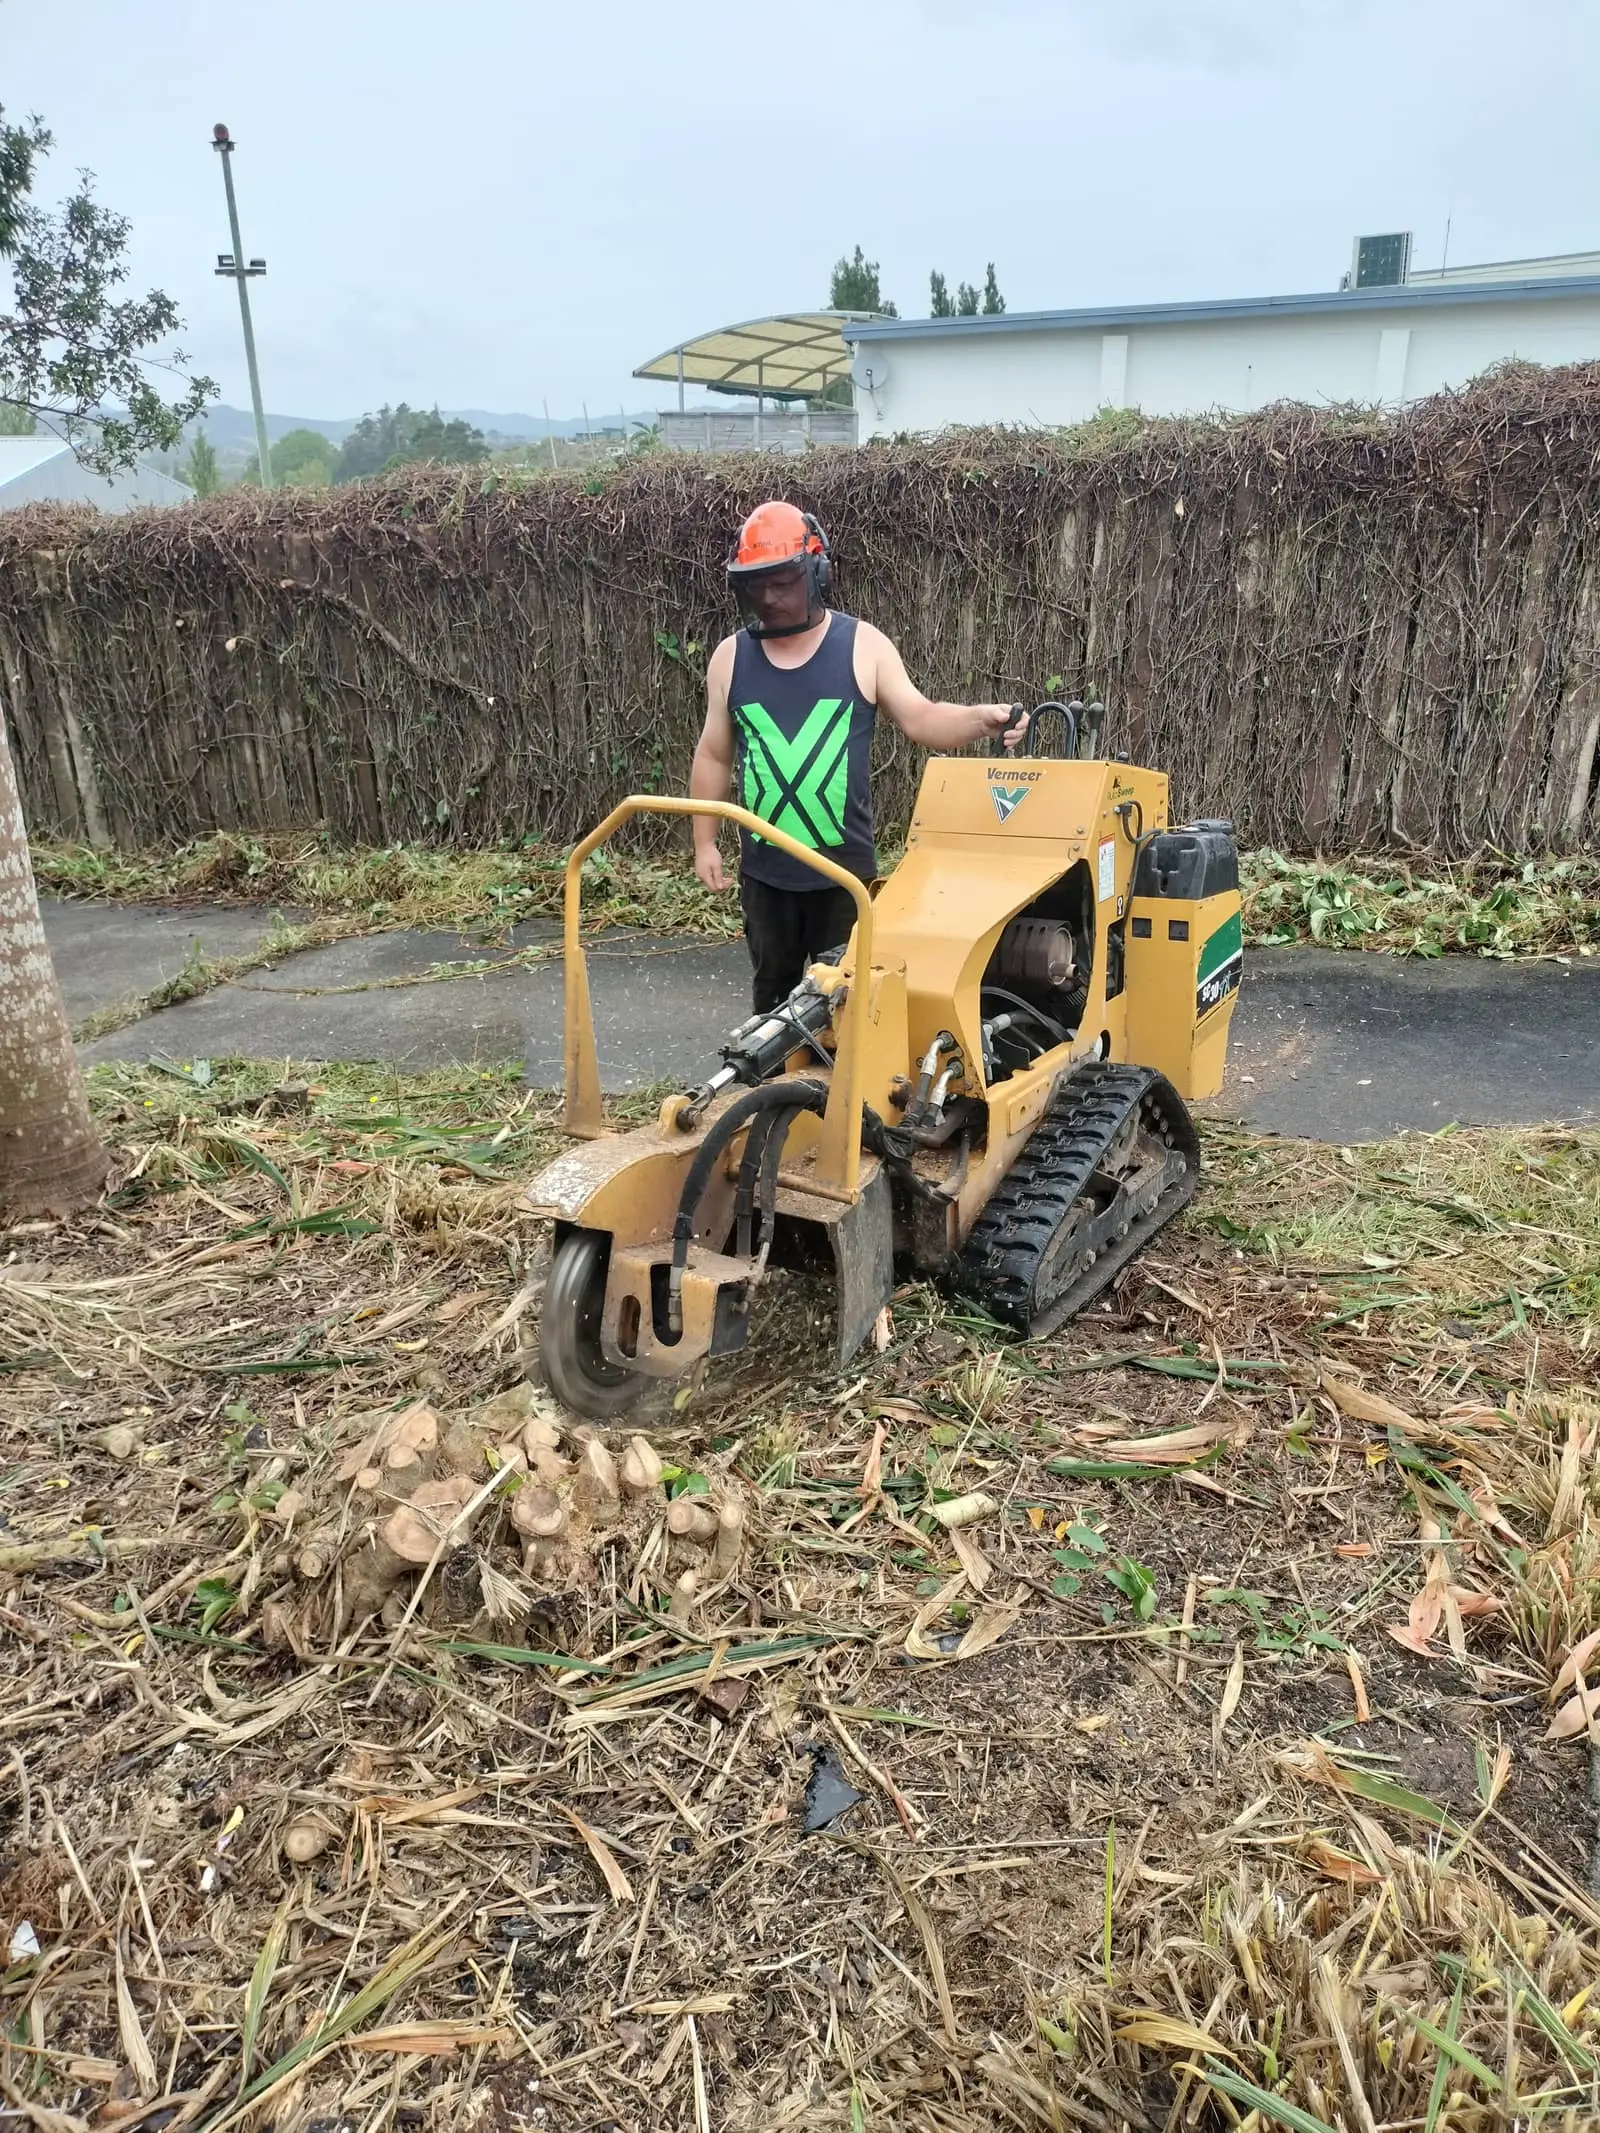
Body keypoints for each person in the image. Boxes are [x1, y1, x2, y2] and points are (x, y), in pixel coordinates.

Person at [691, 500, 1027, 1011]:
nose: (769, 597)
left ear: (817, 572)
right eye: (756, 584)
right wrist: (705, 843)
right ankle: (777, 1092)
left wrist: (982, 718)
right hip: (765, 877)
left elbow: (921, 719)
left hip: (843, 878)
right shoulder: (730, 657)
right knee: (773, 1004)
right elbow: (714, 756)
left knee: (846, 1009)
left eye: (782, 581)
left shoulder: (862, 646)